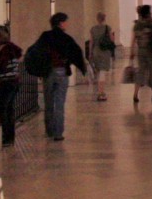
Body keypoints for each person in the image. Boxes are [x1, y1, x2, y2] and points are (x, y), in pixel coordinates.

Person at [35, 12, 87, 141]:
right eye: (65, 21)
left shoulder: (45, 36)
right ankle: (58, 133)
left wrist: (40, 69)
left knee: (48, 102)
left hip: (48, 73)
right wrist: (82, 68)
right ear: (61, 23)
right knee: (59, 103)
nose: (67, 24)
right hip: (62, 72)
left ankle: (49, 130)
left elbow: (36, 52)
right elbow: (76, 52)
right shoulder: (66, 38)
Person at [0, 29, 22, 146]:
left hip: (7, 83)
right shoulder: (11, 49)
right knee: (9, 109)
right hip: (14, 82)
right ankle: (10, 137)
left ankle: (6, 137)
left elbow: (2, 67)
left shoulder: (5, 51)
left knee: (3, 109)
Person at [131, 4, 152, 103]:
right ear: (148, 13)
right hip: (150, 51)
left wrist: (132, 51)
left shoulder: (137, 24)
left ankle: (135, 94)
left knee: (140, 72)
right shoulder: (151, 23)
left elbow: (133, 39)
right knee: (151, 73)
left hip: (141, 51)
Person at [88, 12, 114, 101]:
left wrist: (90, 53)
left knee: (99, 72)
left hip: (96, 51)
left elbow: (91, 42)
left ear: (97, 18)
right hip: (105, 52)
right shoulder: (108, 28)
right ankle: (101, 93)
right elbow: (111, 40)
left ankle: (100, 91)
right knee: (102, 73)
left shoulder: (93, 29)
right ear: (104, 18)